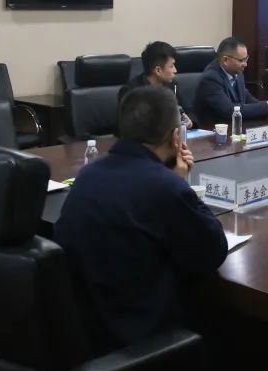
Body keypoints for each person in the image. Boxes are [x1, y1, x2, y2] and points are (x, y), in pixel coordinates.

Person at [54, 86, 227, 353]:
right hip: (144, 342)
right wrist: (179, 183)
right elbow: (212, 251)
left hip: (89, 331)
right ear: (176, 137)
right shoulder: (164, 187)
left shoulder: (89, 174)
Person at [194, 37, 268, 125]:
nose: (245, 64)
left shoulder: (237, 72)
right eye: (241, 60)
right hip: (214, 129)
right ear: (225, 60)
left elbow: (246, 98)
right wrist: (264, 107)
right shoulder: (210, 78)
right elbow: (228, 111)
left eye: (246, 59)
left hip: (236, 126)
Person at [119, 41, 192, 128]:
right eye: (171, 66)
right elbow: (130, 127)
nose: (175, 70)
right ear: (158, 70)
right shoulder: (131, 92)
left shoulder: (172, 85)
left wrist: (188, 120)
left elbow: (185, 111)